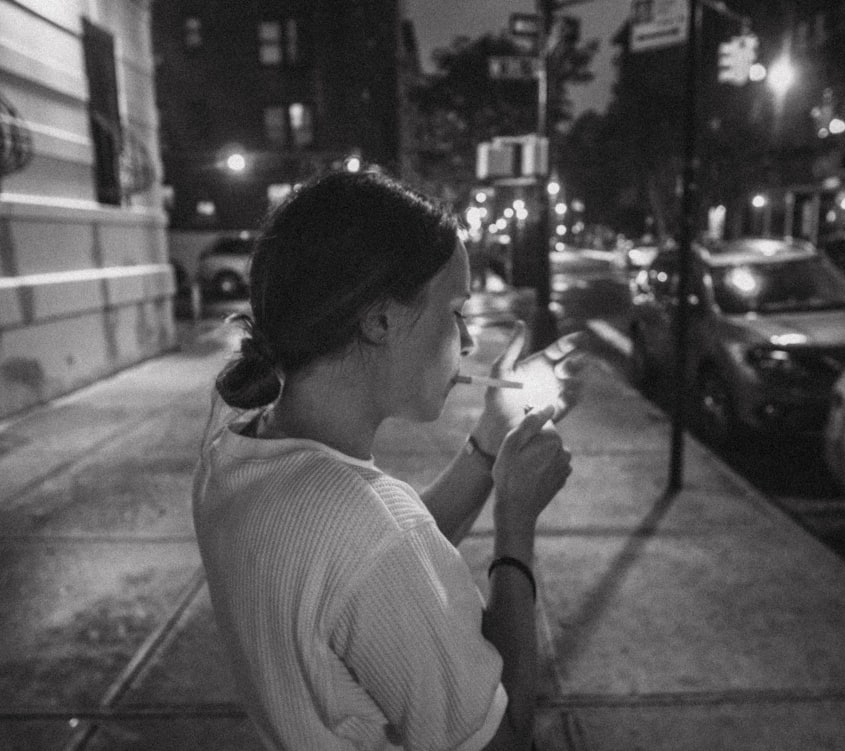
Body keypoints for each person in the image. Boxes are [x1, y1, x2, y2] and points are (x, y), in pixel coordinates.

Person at [192, 168, 580, 751]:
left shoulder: (230, 434)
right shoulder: (369, 532)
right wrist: (516, 522)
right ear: (379, 320)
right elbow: (509, 740)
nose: (470, 343)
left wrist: (489, 440)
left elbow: (376, 565)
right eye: (454, 311)